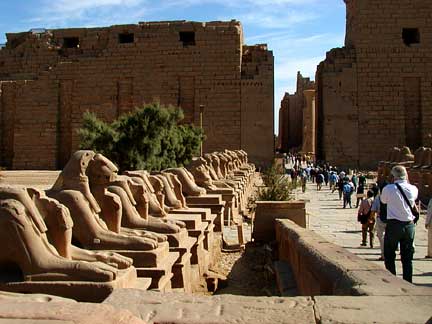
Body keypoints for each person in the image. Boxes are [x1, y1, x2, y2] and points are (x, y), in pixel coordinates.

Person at [381, 165, 418, 283]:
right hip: (409, 225)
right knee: (407, 258)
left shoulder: (388, 188)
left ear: (393, 176)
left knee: (390, 255)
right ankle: (408, 282)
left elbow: (383, 201)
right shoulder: (413, 188)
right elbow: (413, 201)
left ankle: (392, 281)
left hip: (394, 225)